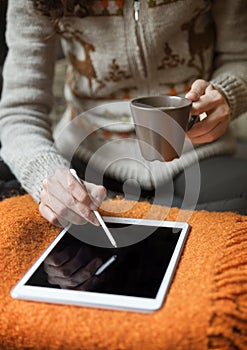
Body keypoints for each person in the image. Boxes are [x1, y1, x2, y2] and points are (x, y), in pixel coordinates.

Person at [0, 0, 247, 228]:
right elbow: (19, 112)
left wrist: (228, 93)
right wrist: (48, 176)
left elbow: (239, 58)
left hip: (197, 156)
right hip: (84, 159)